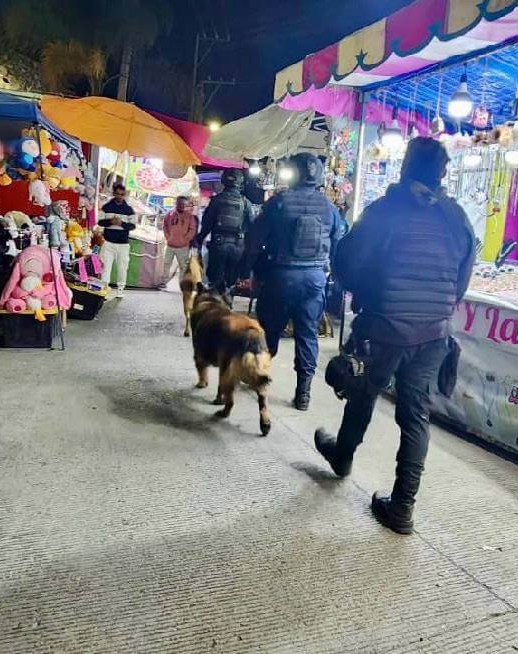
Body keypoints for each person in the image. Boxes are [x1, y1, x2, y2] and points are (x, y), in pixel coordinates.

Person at [313, 138, 475, 535]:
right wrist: (439, 304)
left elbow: (348, 264)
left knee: (364, 393)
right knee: (415, 414)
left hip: (386, 326)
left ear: (405, 167)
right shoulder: (456, 216)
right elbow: (464, 274)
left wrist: (371, 292)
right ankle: (402, 506)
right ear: (442, 173)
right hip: (434, 332)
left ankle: (343, 456)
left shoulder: (384, 211)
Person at [244, 153, 343, 411]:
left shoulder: (278, 203)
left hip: (280, 276)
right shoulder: (330, 209)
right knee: (307, 334)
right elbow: (337, 247)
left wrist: (248, 269)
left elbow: (254, 240)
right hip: (314, 280)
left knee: (269, 331)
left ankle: (260, 377)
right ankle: (303, 394)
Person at [195, 169, 253, 300]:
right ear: (240, 182)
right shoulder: (245, 203)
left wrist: (198, 240)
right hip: (238, 248)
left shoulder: (217, 200)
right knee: (231, 282)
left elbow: (207, 224)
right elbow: (252, 227)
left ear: (224, 181)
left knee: (215, 280)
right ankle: (228, 304)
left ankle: (216, 307)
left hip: (218, 245)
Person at [98, 184, 136, 298]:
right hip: (108, 242)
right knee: (106, 267)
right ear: (113, 193)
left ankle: (120, 289)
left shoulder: (129, 210)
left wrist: (121, 224)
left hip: (123, 244)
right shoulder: (106, 207)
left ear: (124, 195)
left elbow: (132, 226)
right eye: (117, 194)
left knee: (122, 267)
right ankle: (104, 290)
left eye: (122, 194)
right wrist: (110, 222)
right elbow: (100, 222)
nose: (119, 196)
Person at [159, 195, 198, 288]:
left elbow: (192, 230)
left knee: (183, 267)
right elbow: (165, 227)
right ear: (175, 204)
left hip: (183, 246)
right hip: (170, 245)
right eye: (178, 203)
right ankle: (163, 282)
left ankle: (182, 284)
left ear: (185, 205)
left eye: (182, 204)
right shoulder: (169, 214)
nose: (180, 206)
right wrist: (168, 237)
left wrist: (185, 240)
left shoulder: (189, 216)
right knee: (166, 264)